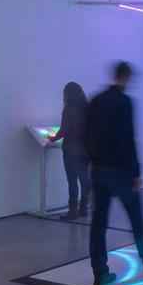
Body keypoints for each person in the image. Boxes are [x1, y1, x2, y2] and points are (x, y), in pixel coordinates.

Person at [85, 61, 143, 285]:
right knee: (136, 218)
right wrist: (136, 172)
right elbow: (128, 139)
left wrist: (92, 161)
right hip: (121, 172)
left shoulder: (96, 101)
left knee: (98, 224)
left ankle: (100, 274)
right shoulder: (125, 102)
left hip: (99, 170)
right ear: (126, 77)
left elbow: (86, 134)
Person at [47, 82, 90, 220]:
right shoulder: (87, 108)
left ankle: (72, 211)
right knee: (84, 179)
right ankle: (83, 209)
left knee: (72, 181)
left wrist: (53, 138)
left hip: (71, 149)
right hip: (85, 150)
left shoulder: (69, 108)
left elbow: (64, 129)